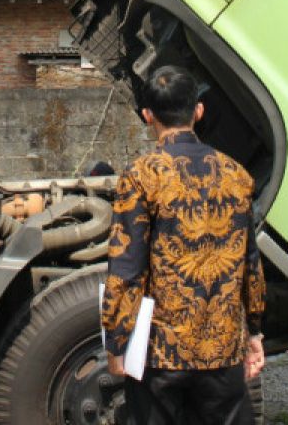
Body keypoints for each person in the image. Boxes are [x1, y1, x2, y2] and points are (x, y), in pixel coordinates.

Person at [102, 65, 266, 425]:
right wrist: (253, 332)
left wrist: (117, 341)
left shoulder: (142, 176)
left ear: (148, 116)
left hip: (161, 353)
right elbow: (250, 265)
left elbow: (126, 267)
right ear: (199, 111)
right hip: (221, 351)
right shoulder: (237, 175)